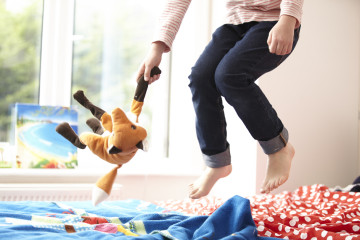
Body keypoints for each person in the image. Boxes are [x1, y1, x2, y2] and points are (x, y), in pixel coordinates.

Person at [136, 0, 304, 199]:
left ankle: (278, 147)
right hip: (234, 21)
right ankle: (217, 161)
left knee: (229, 76)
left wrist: (288, 19)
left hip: (275, 19)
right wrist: (156, 48)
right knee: (200, 78)